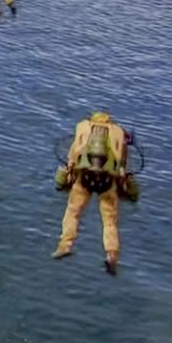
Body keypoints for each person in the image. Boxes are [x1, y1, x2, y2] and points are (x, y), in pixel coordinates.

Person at [54, 111, 136, 274]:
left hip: (84, 178)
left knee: (73, 213)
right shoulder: (118, 132)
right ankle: (111, 255)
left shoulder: (82, 126)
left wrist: (68, 177)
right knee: (109, 222)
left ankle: (65, 245)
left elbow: (73, 156)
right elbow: (122, 165)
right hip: (107, 182)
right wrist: (124, 187)